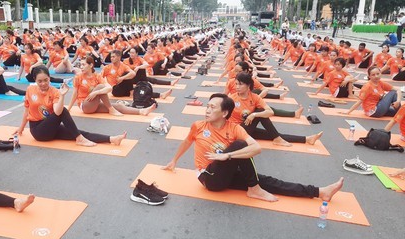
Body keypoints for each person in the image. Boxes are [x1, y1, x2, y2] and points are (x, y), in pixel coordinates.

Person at [161, 93, 344, 202]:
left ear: (224, 113)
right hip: (208, 178)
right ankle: (254, 188)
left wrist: (228, 157)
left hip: (227, 172)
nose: (207, 110)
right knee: (241, 147)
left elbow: (256, 148)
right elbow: (186, 141)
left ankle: (320, 192)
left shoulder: (234, 128)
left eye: (212, 107)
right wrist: (173, 160)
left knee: (268, 181)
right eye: (207, 106)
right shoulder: (198, 126)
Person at [14, 65, 126, 147]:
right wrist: (21, 128)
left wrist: (62, 96)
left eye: (46, 80)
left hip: (51, 126)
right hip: (38, 131)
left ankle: (112, 139)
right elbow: (26, 111)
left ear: (49, 78)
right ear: (35, 80)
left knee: (78, 132)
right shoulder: (30, 89)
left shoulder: (54, 91)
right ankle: (80, 139)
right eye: (40, 81)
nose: (43, 84)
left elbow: (56, 112)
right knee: (65, 114)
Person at [232, 73, 323, 147]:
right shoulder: (232, 98)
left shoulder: (255, 97)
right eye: (236, 84)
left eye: (240, 84)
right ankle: (277, 138)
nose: (237, 87)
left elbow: (270, 112)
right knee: (260, 112)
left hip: (247, 129)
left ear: (248, 85)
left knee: (274, 134)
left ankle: (307, 139)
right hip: (236, 131)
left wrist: (254, 115)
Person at [67, 57, 157, 116]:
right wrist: (69, 108)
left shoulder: (97, 76)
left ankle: (141, 111)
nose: (81, 67)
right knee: (100, 87)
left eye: (83, 64)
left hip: (95, 103)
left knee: (117, 106)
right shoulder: (78, 77)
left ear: (91, 65)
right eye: (80, 65)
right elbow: (74, 94)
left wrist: (96, 92)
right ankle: (111, 109)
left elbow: (109, 88)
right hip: (85, 105)